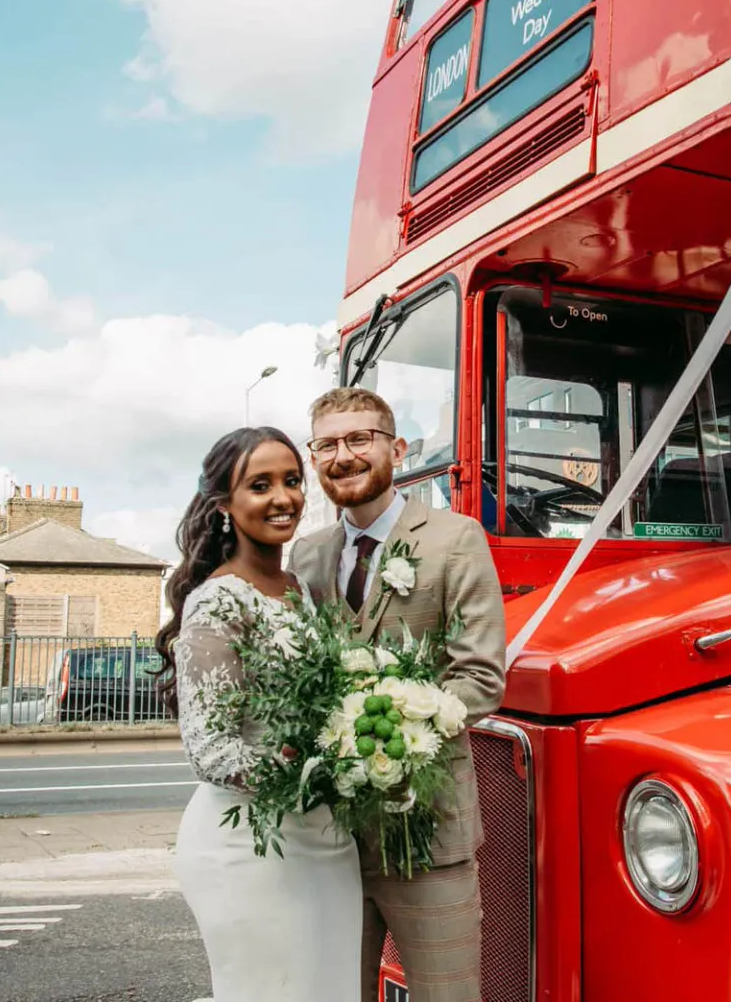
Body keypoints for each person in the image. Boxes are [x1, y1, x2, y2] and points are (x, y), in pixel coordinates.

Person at [292, 386, 506, 1002]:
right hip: (329, 842)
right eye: (327, 444)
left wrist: (393, 731)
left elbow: (480, 676)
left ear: (398, 448)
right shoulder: (308, 556)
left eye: (360, 438)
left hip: (429, 833)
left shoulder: (455, 538)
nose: (343, 456)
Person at [159, 427, 361, 1002]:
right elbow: (212, 749)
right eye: (260, 485)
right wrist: (319, 772)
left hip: (328, 843)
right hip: (249, 847)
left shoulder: (302, 589)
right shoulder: (219, 600)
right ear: (224, 504)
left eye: (293, 481)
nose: (283, 498)